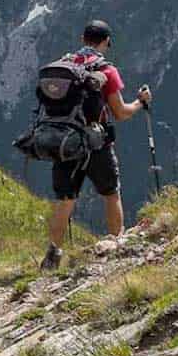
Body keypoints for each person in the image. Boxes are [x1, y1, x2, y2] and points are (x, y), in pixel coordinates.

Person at [39, 19, 151, 271]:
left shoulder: (64, 66)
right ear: (106, 42)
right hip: (95, 142)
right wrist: (140, 102)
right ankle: (116, 246)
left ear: (82, 39)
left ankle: (52, 257)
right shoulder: (106, 71)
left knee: (65, 199)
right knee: (110, 193)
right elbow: (120, 112)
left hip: (64, 142)